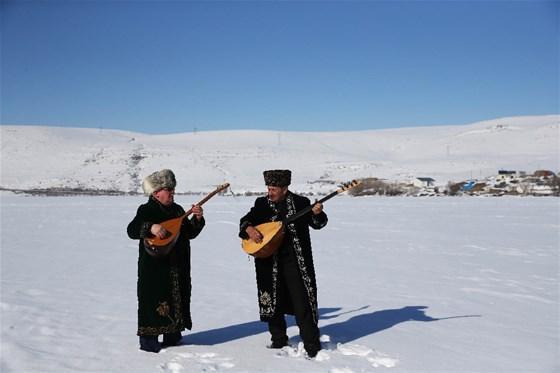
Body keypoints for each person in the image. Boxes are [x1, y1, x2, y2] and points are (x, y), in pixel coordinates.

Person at [239, 169, 328, 358]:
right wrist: (249, 229)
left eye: (273, 189)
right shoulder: (261, 204)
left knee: (302, 300)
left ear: (285, 188)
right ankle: (278, 339)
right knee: (273, 300)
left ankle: (311, 343)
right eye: (268, 188)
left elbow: (318, 224)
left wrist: (318, 214)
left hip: (296, 261)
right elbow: (245, 220)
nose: (269, 192)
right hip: (268, 261)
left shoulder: (301, 203)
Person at [127, 169, 205, 353]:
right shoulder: (146, 210)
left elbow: (188, 233)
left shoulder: (177, 210)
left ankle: (173, 338)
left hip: (177, 266)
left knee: (176, 299)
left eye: (173, 189)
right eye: (168, 190)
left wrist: (198, 218)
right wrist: (150, 227)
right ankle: (149, 343)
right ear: (156, 193)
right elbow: (131, 230)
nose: (172, 193)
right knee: (153, 302)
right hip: (155, 269)